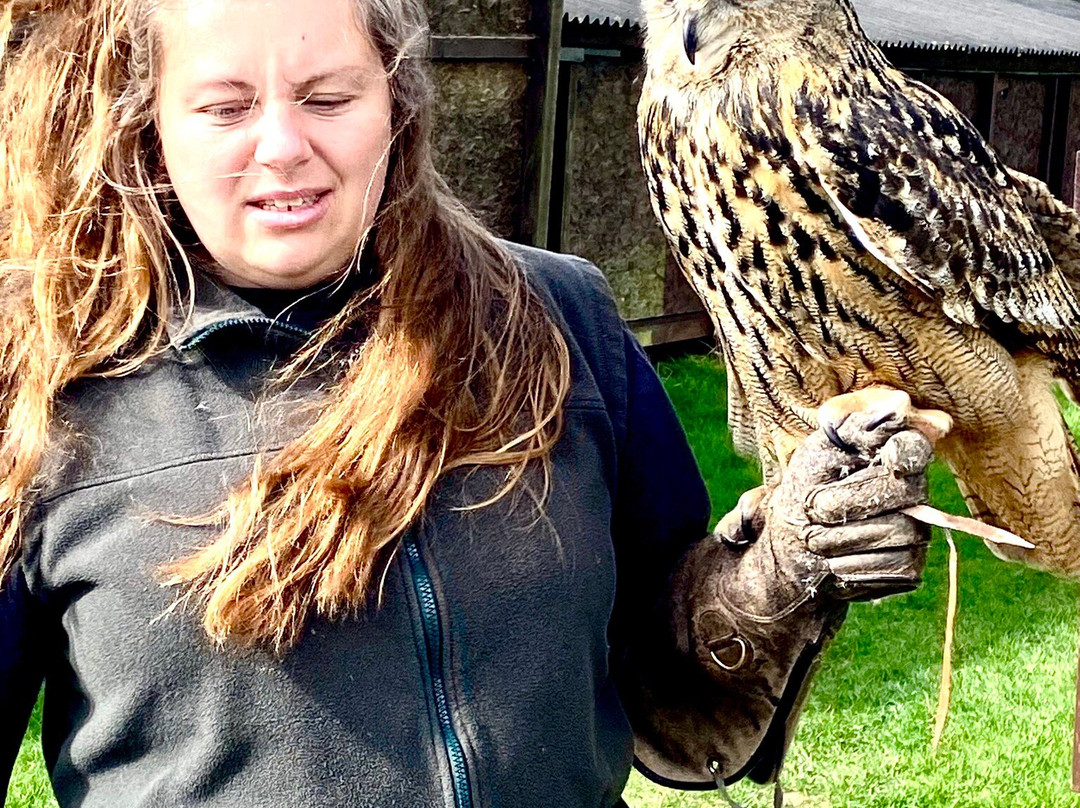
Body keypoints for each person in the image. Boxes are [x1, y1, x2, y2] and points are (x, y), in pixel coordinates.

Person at [0, 0, 933, 806]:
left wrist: (777, 573)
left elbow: (669, 681)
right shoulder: (43, 380)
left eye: (328, 98)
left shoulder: (560, 318)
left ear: (396, 102)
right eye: (225, 106)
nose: (283, 146)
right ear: (150, 126)